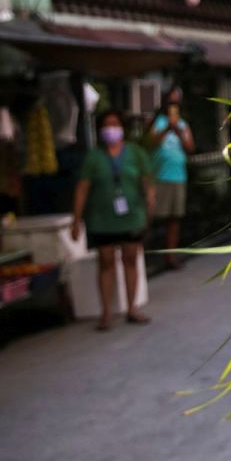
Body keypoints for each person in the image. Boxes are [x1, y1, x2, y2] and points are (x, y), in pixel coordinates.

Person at [72, 110, 155, 331]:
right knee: (106, 262)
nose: (111, 129)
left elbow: (148, 182)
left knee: (130, 258)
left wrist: (149, 207)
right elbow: (82, 188)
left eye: (115, 124)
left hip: (131, 216)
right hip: (101, 219)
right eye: (107, 125)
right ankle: (106, 312)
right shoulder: (94, 157)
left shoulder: (135, 153)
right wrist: (76, 219)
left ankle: (132, 308)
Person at [145, 87, 195, 270]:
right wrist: (167, 128)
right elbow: (149, 143)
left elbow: (190, 147)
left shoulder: (182, 124)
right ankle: (141, 253)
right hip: (158, 176)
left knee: (174, 218)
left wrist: (178, 130)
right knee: (150, 216)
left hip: (178, 176)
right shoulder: (156, 123)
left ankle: (170, 255)